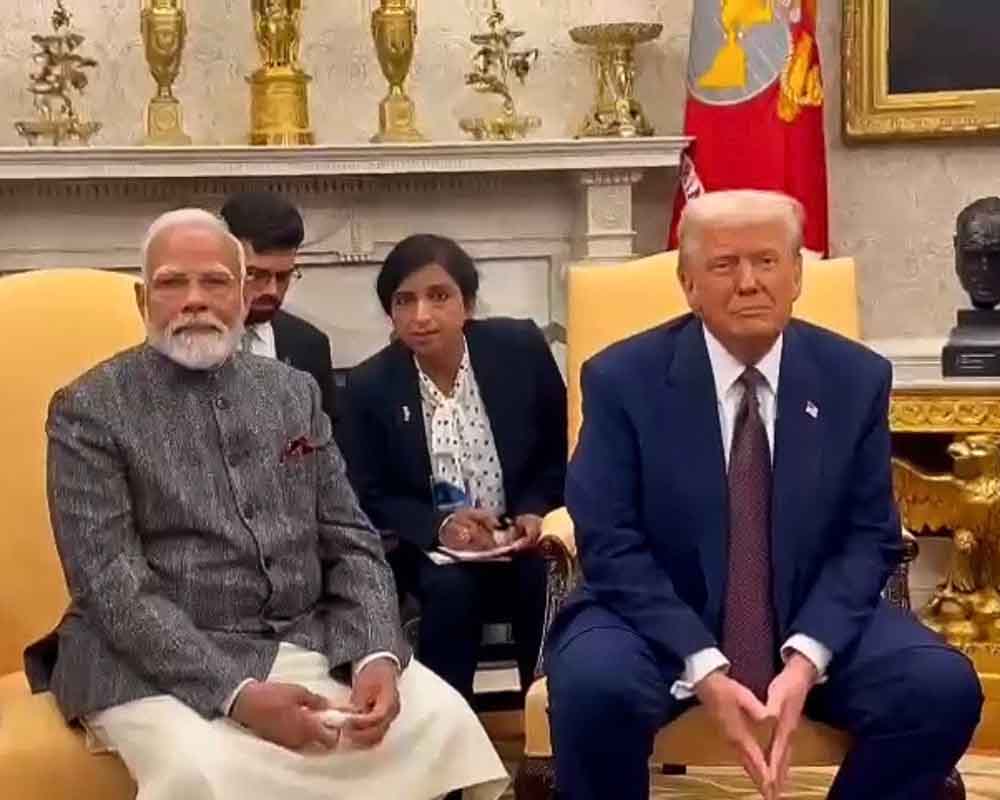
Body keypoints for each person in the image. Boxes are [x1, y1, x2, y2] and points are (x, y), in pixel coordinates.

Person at [24, 209, 509, 800]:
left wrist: (376, 652)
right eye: (173, 283)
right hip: (145, 662)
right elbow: (109, 583)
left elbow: (350, 538)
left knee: (437, 718)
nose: (195, 300)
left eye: (215, 282)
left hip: (303, 637)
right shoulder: (90, 409)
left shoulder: (292, 392)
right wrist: (238, 694)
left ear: (242, 294)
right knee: (202, 771)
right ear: (142, 299)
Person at [545, 190, 982, 800]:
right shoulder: (622, 379)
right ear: (689, 284)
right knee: (594, 687)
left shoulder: (854, 378)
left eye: (767, 262)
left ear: (796, 275)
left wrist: (805, 660)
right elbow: (609, 541)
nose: (749, 283)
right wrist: (703, 663)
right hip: (652, 621)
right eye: (725, 265)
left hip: (809, 616)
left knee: (941, 688)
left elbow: (868, 537)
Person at [341, 233, 566, 703]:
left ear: (468, 304)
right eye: (404, 301)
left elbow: (559, 444)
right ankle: (450, 732)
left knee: (543, 576)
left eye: (438, 296)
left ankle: (550, 723)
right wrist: (440, 526)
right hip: (434, 549)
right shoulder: (370, 385)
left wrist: (534, 510)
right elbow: (368, 493)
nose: (421, 315)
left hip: (521, 534)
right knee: (450, 590)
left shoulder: (519, 349)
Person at [220, 191, 338, 428]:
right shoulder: (187, 343)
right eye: (255, 274)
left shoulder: (310, 345)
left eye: (283, 276)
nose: (272, 290)